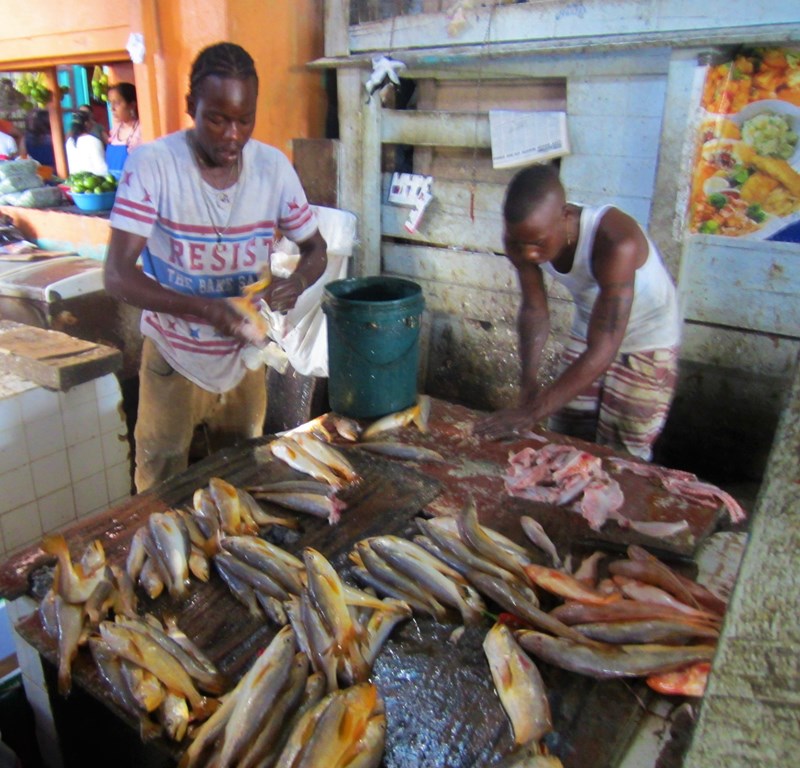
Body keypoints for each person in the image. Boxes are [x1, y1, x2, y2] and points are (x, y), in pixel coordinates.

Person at [103, 42, 328, 492]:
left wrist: (297, 281)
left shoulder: (273, 169)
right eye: (218, 119)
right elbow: (117, 275)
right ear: (191, 107)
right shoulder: (154, 165)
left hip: (243, 361)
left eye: (245, 120)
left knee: (242, 481)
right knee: (159, 486)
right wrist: (205, 309)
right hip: (173, 357)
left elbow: (316, 248)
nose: (233, 135)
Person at [475, 164, 681, 461]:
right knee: (565, 434)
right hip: (592, 327)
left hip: (648, 339)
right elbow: (534, 309)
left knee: (623, 451)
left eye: (538, 244)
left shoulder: (615, 242)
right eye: (520, 244)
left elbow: (605, 346)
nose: (529, 253)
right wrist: (529, 383)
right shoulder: (520, 238)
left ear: (566, 216)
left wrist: (530, 412)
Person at [105, 82, 142, 178]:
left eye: (117, 103)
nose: (112, 108)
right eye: (110, 103)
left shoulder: (140, 130)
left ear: (132, 105)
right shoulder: (115, 130)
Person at [65, 110, 108, 176]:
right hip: (93, 182)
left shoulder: (69, 142)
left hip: (75, 182)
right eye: (91, 120)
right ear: (86, 124)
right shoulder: (93, 141)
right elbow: (103, 169)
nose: (93, 123)